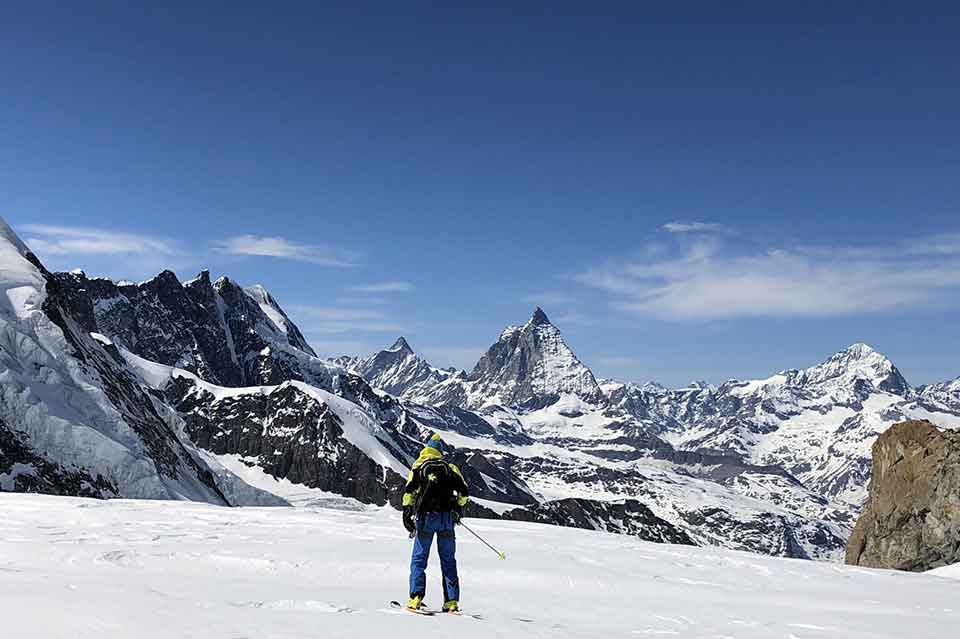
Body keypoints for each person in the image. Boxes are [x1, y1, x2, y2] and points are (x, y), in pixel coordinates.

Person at [402, 433, 470, 612]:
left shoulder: (419, 466)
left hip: (425, 519)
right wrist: (458, 508)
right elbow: (464, 491)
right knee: (448, 561)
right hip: (446, 519)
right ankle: (452, 602)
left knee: (419, 560)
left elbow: (409, 492)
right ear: (440, 452)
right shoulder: (450, 468)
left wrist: (407, 513)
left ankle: (416, 597)